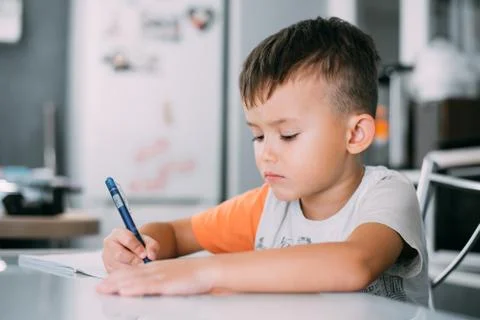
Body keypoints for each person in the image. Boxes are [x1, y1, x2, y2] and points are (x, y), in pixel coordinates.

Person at [97, 16, 429, 306]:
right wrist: (137, 245)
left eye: (287, 135)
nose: (266, 153)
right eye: (258, 136)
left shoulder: (387, 194)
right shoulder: (265, 207)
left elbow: (354, 264)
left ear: (355, 134)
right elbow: (173, 232)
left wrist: (201, 272)